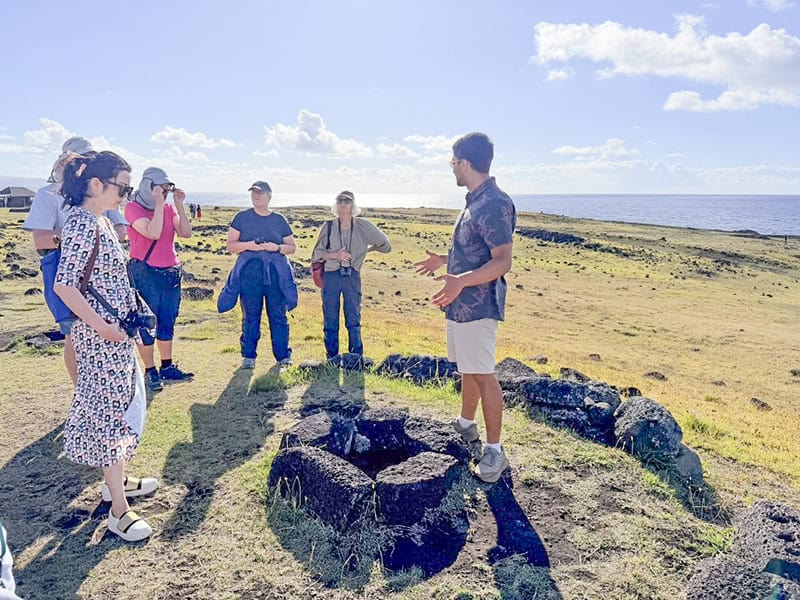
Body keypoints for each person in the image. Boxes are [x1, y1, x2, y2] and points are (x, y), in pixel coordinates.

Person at [54, 151, 157, 542]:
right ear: (95, 185)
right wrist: (104, 327)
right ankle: (119, 510)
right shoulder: (83, 223)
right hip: (101, 340)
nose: (126, 196)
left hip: (112, 335)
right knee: (111, 413)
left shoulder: (97, 221)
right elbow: (65, 285)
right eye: (122, 187)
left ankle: (117, 482)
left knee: (122, 405)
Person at [414, 133, 516, 483]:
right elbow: (478, 250)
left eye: (452, 162)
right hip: (461, 304)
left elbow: (502, 261)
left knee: (484, 374)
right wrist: (446, 260)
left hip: (478, 305)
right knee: (469, 369)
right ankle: (466, 424)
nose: (451, 168)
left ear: (464, 163)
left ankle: (494, 451)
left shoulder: (493, 203)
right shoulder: (475, 200)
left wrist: (459, 281)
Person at [22, 136, 128, 386]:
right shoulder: (48, 194)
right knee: (74, 334)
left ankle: (100, 391)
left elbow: (121, 229)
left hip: (103, 279)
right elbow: (41, 239)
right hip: (68, 272)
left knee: (106, 331)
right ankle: (82, 390)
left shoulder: (103, 193)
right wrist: (77, 238)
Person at [125, 167, 194, 392]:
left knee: (168, 318)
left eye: (167, 188)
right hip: (145, 272)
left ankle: (166, 366)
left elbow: (185, 232)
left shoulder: (168, 207)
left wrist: (179, 205)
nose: (164, 192)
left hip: (170, 271)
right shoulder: (133, 208)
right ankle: (150, 370)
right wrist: (157, 205)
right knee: (146, 321)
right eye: (161, 188)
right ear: (148, 186)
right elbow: (152, 233)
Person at [310, 191, 391, 360]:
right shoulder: (329, 226)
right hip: (331, 276)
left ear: (353, 205)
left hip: (352, 276)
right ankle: (331, 356)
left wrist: (366, 250)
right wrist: (335, 255)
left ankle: (355, 357)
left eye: (347, 201)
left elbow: (385, 245)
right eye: (340, 201)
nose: (343, 204)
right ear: (336, 204)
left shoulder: (362, 225)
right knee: (330, 317)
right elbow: (317, 255)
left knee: (353, 317)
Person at [224, 181, 297, 369]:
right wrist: (248, 245)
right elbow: (231, 245)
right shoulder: (242, 217)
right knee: (250, 316)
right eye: (254, 193)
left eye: (260, 193)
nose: (256, 196)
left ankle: (283, 357)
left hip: (275, 276)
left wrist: (276, 248)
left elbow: (292, 247)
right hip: (249, 276)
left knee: (278, 316)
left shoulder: (279, 220)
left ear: (269, 196)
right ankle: (248, 356)